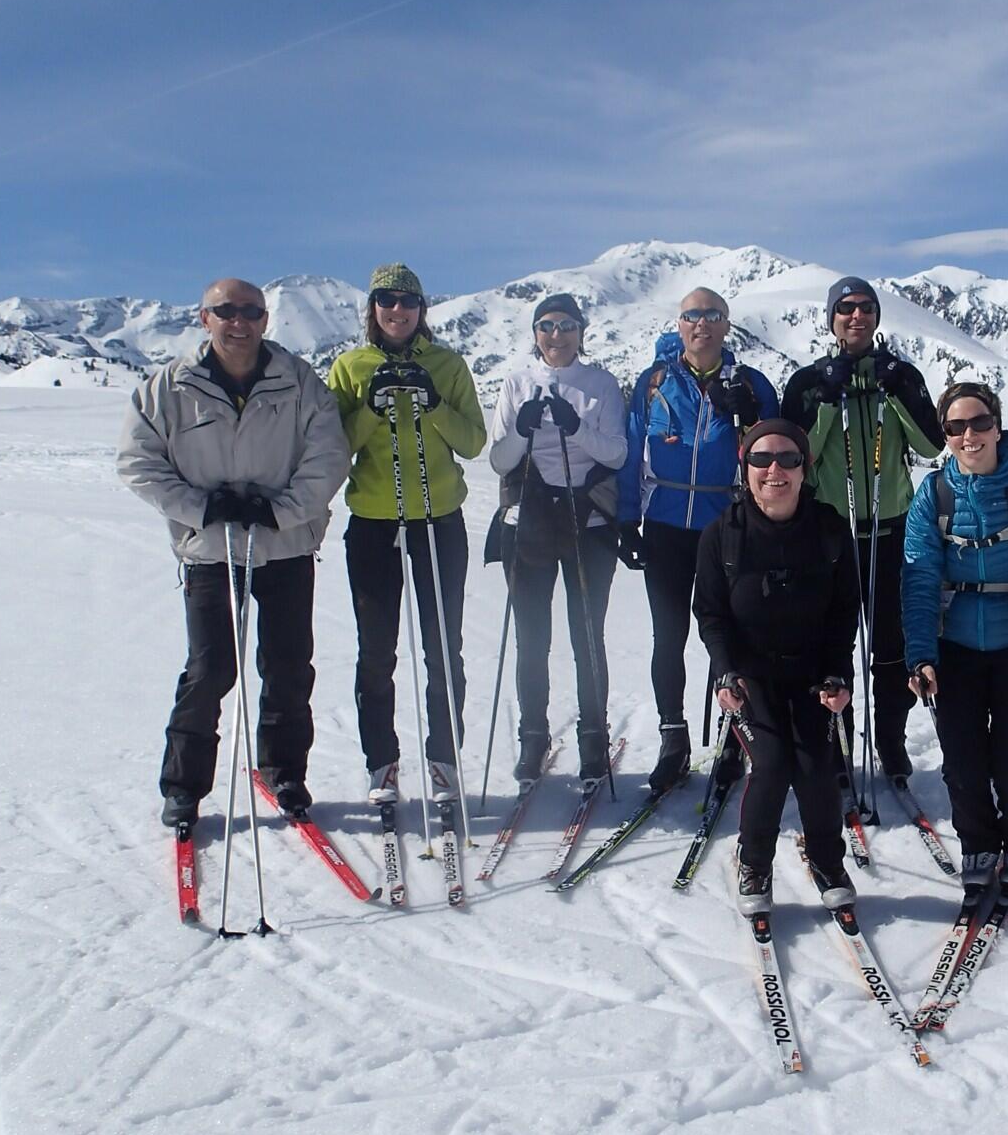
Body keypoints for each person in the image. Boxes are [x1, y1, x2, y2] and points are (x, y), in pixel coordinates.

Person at [116, 277, 348, 825]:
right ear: (205, 318)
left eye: (250, 311)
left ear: (266, 319)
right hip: (210, 550)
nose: (238, 322)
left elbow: (328, 456)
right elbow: (138, 462)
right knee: (210, 668)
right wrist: (200, 507)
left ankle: (284, 771)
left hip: (285, 546)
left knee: (288, 666)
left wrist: (279, 511)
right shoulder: (169, 387)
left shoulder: (299, 382)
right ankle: (184, 787)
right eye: (226, 311)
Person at [902, 382, 1008, 900]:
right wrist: (920, 655)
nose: (969, 435)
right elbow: (920, 579)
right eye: (955, 427)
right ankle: (977, 843)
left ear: (998, 427)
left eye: (979, 423)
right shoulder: (933, 494)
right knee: (962, 763)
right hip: (955, 649)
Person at [325, 264, 488, 806]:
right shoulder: (350, 367)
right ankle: (382, 762)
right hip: (374, 523)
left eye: (409, 301)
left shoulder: (447, 364)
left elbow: (473, 443)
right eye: (387, 300)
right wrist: (371, 410)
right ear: (373, 308)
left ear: (422, 309)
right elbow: (333, 446)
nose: (398, 310)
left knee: (443, 647)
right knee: (376, 650)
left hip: (438, 521)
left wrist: (433, 404)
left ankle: (444, 758)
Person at [780, 277, 943, 785]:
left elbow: (931, 445)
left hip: (891, 526)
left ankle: (891, 742)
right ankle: (839, 746)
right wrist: (828, 399)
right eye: (845, 308)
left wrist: (896, 392)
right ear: (831, 318)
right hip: (831, 529)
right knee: (833, 645)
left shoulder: (901, 374)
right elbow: (797, 455)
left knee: (891, 647)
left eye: (866, 307)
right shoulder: (808, 381)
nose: (857, 316)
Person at [695, 420, 862, 913]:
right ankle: (754, 863)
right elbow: (711, 614)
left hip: (812, 673)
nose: (775, 470)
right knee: (770, 765)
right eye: (761, 459)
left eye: (788, 459)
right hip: (751, 676)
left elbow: (843, 612)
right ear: (745, 467)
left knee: (816, 766)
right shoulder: (723, 535)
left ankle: (827, 861)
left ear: (805, 468)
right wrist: (725, 672)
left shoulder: (829, 530)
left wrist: (839, 674)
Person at [617, 287, 777, 793]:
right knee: (668, 635)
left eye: (711, 315)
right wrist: (627, 518)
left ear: (726, 324)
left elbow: (773, 451)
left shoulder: (750, 383)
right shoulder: (655, 382)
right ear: (680, 324)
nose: (701, 324)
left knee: (729, 635)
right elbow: (631, 449)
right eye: (691, 315)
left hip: (726, 522)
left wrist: (749, 417)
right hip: (665, 523)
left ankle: (733, 736)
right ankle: (673, 737)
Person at [488, 293, 627, 784]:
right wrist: (522, 431)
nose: (556, 335)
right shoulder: (516, 382)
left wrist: (577, 427)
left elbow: (616, 454)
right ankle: (533, 736)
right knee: (532, 638)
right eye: (547, 325)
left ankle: (593, 737)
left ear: (581, 332)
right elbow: (499, 460)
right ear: (535, 333)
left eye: (567, 325)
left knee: (587, 636)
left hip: (588, 523)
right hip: (529, 521)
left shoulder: (600, 384)